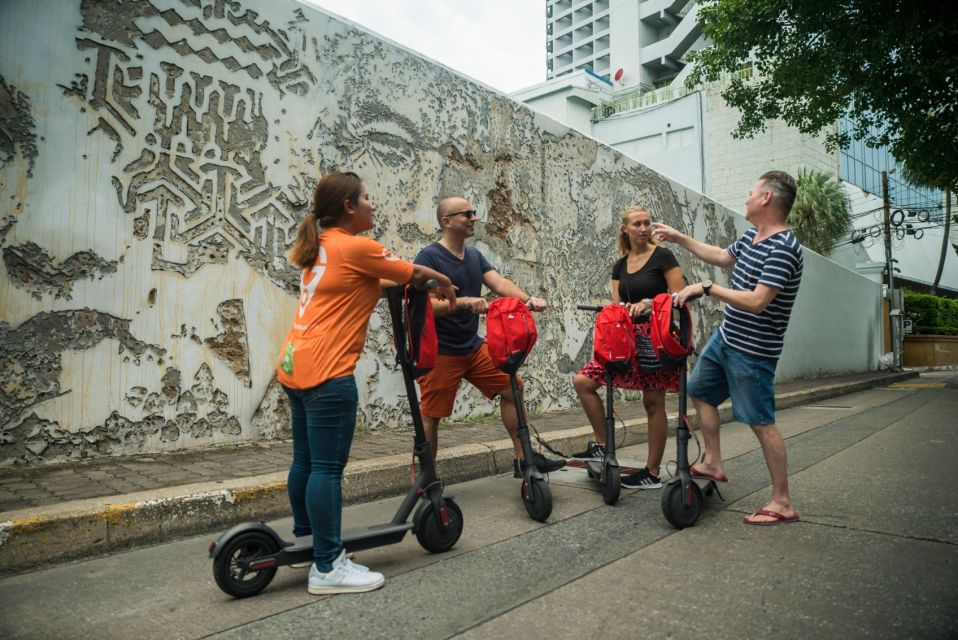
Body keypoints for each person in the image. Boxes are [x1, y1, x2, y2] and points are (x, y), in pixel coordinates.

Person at [276, 171, 456, 594]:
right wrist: (446, 283)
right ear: (348, 207)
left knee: (304, 463)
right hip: (328, 372)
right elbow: (415, 274)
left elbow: (371, 282)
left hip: (294, 365)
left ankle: (308, 541)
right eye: (366, 197)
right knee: (326, 469)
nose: (372, 204)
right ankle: (327, 567)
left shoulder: (320, 246)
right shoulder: (358, 246)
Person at [654, 170, 803, 525]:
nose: (747, 197)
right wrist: (678, 237)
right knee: (700, 391)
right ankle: (713, 462)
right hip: (727, 338)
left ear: (766, 198)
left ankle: (782, 502)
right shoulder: (754, 235)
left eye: (752, 192)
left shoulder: (783, 248)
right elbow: (722, 256)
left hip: (753, 351)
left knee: (760, 422)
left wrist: (707, 289)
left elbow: (757, 301)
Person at [413, 196, 566, 476]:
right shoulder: (429, 257)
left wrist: (527, 299)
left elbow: (499, 282)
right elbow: (423, 307)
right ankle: (427, 481)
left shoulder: (473, 255)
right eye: (467, 214)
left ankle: (524, 459)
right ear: (447, 222)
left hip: (472, 348)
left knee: (512, 388)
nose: (474, 218)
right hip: (441, 352)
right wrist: (462, 302)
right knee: (431, 417)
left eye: (474, 212)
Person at [571, 206, 685, 490]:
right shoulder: (620, 266)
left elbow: (678, 296)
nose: (644, 228)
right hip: (625, 339)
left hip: (655, 337)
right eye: (637, 224)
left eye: (647, 223)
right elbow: (616, 305)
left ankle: (652, 472)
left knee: (653, 402)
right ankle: (603, 444)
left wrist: (647, 304)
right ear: (625, 229)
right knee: (583, 382)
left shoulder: (663, 256)